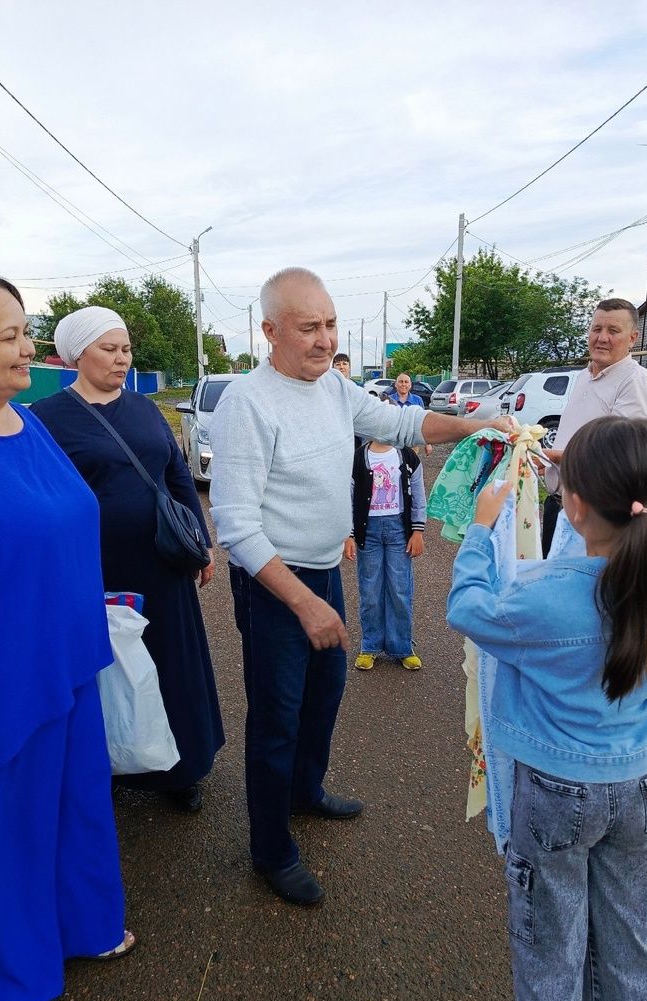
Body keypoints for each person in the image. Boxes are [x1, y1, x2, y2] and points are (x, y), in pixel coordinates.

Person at [209, 267, 515, 906]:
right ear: (269, 331)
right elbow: (235, 527)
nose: (324, 341)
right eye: (308, 328)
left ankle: (305, 792)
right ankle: (270, 850)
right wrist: (304, 602)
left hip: (322, 570)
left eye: (329, 325)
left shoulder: (336, 389)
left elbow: (405, 425)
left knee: (324, 696)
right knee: (275, 719)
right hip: (276, 585)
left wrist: (474, 425)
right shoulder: (247, 403)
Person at [447, 416, 647, 1001]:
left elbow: (469, 611)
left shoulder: (542, 598)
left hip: (554, 803)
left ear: (575, 506)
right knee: (630, 948)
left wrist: (480, 530)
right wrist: (594, 477)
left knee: (550, 957)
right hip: (636, 797)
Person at [0, 270, 133, 1001]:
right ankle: (0, 980)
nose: (30, 348)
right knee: (0, 830)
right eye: (9, 336)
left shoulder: (29, 424)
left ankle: (83, 924)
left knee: (76, 802)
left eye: (27, 330)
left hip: (66, 659)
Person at [32, 307, 223, 813]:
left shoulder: (142, 408)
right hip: (96, 570)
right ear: (76, 355)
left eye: (126, 350)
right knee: (107, 671)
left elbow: (177, 475)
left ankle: (179, 770)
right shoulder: (46, 418)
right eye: (108, 350)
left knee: (169, 665)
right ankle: (111, 764)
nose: (121, 360)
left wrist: (201, 541)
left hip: (163, 563)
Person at [542, 298, 647, 555]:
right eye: (596, 329)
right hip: (560, 505)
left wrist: (553, 457)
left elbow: (616, 453)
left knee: (581, 591)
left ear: (632, 338)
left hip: (597, 515)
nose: (602, 338)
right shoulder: (583, 376)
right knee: (551, 587)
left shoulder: (635, 380)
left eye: (613, 331)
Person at [344, 438, 425, 670]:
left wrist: (417, 530)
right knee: (370, 590)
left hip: (399, 530)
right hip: (367, 531)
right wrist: (348, 534)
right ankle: (370, 645)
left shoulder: (407, 456)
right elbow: (347, 499)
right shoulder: (358, 458)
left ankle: (402, 646)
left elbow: (418, 494)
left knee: (400, 589)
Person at [386, 372, 432, 455]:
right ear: (396, 385)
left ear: (410, 385)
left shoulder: (417, 400)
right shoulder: (389, 400)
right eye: (401, 381)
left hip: (411, 443)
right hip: (392, 443)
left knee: (411, 466)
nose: (403, 384)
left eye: (406, 382)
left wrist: (427, 444)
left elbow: (423, 422)